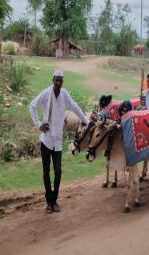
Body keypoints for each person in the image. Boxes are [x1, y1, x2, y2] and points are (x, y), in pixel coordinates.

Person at [29, 70, 89, 213]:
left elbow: (74, 106)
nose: (58, 83)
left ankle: (54, 200)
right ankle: (49, 202)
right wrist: (38, 124)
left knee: (59, 172)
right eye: (56, 80)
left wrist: (86, 121)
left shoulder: (64, 95)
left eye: (60, 80)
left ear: (63, 81)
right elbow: (31, 105)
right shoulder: (46, 93)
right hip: (46, 140)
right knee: (46, 172)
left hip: (57, 142)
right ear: (52, 80)